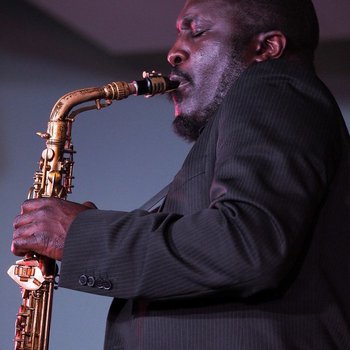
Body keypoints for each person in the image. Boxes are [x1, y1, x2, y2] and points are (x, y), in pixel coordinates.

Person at [12, 0, 350, 348]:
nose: (173, 53)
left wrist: (82, 236)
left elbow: (248, 243)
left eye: (197, 31)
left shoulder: (273, 85)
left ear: (265, 47)